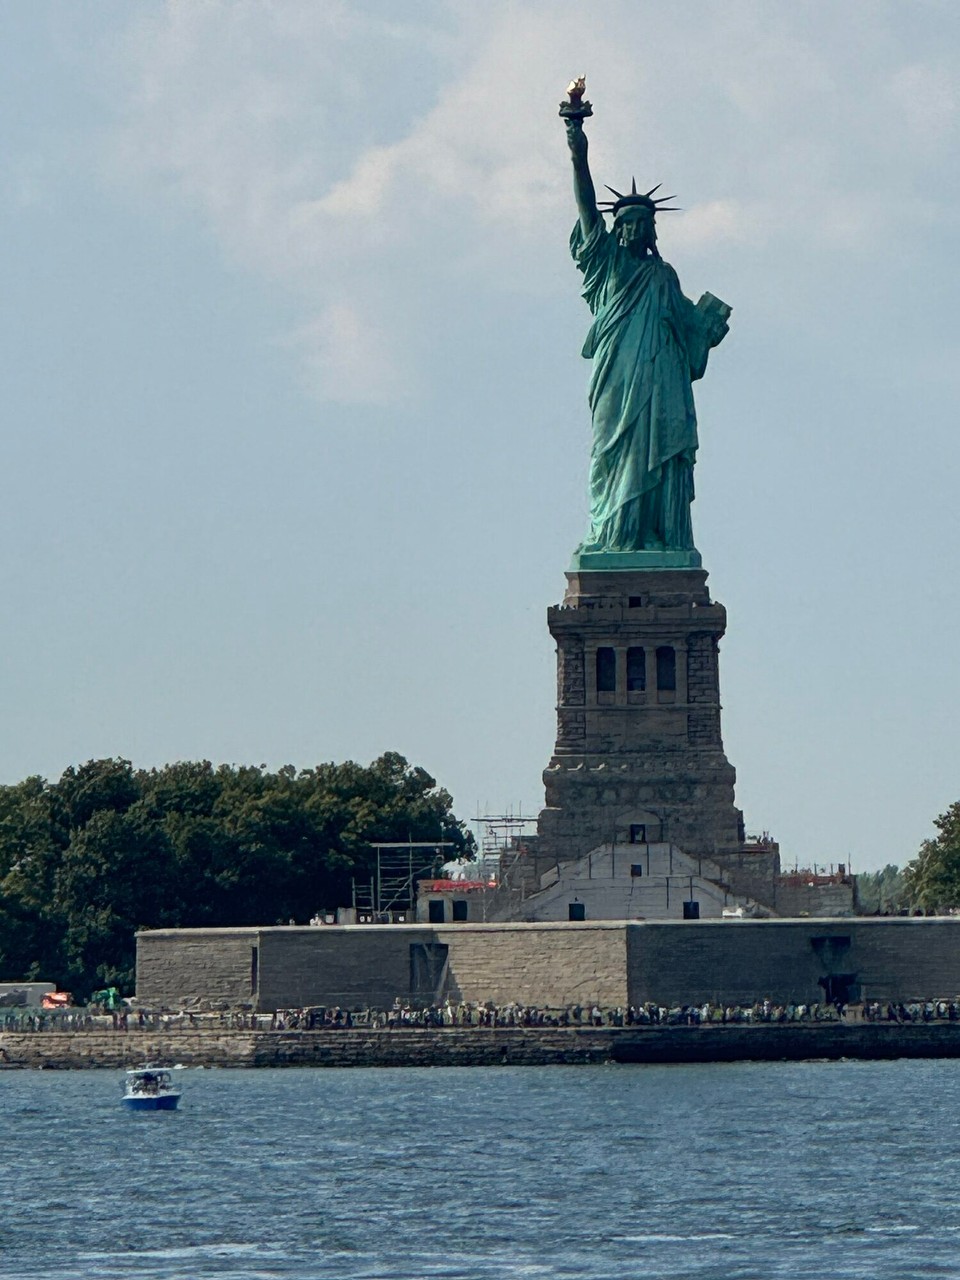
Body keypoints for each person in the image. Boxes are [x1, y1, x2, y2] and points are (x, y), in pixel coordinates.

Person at [562, 81, 730, 557]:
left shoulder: (663, 275)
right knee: (612, 456)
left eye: (644, 223)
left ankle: (656, 535)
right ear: (617, 228)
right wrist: (577, 141)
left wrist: (707, 326)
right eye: (628, 222)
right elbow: (584, 200)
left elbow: (689, 333)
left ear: (651, 230)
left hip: (662, 384)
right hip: (617, 381)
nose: (636, 229)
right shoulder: (607, 266)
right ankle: (616, 537)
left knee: (660, 454)